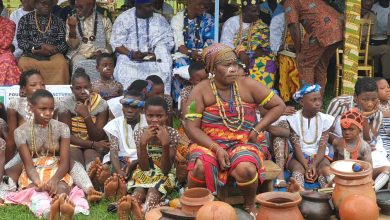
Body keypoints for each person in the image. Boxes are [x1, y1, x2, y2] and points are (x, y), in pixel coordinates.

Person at [184, 43, 285, 215]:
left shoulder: (248, 85)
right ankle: (194, 204)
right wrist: (216, 148)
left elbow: (278, 105)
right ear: (212, 69)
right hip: (209, 143)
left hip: (244, 142)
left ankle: (249, 205)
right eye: (226, 65)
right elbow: (191, 127)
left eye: (235, 64)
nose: (233, 69)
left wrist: (257, 129)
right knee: (200, 166)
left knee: (246, 167)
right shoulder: (199, 91)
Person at [11, 89, 91, 218]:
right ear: (31, 108)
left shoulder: (62, 128)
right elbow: (28, 165)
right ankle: (49, 212)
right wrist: (38, 181)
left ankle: (64, 208)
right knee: (37, 192)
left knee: (62, 188)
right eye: (43, 109)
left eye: (51, 109)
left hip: (57, 169)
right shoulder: (20, 132)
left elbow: (65, 162)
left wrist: (54, 179)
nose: (48, 113)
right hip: (34, 172)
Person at [327, 78, 390, 191]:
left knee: (387, 169)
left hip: (367, 148)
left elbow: (369, 139)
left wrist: (364, 116)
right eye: (365, 99)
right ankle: (337, 189)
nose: (370, 103)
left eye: (374, 99)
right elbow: (326, 130)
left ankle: (370, 190)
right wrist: (340, 141)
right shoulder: (339, 103)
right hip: (339, 146)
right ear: (355, 96)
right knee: (330, 168)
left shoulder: (378, 112)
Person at [121, 96, 178, 215]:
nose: (155, 120)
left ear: (166, 115)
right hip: (145, 172)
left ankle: (144, 212)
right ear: (144, 115)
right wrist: (142, 143)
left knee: (153, 190)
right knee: (138, 191)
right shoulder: (140, 133)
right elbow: (144, 168)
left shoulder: (172, 133)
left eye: (159, 116)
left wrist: (165, 144)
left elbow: (166, 170)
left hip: (164, 175)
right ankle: (132, 210)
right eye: (150, 116)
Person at [111, 0, 174, 91]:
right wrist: (130, 54)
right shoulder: (124, 18)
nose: (152, 8)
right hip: (129, 59)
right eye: (148, 6)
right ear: (138, 6)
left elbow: (167, 40)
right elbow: (116, 43)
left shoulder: (160, 19)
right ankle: (130, 98)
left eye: (152, 5)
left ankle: (158, 98)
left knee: (165, 63)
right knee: (123, 66)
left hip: (154, 58)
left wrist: (157, 54)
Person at [284, 0, 343, 94]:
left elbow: (294, 26)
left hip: (322, 30)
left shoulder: (290, 2)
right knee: (321, 64)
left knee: (305, 64)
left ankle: (309, 100)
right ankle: (318, 100)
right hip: (338, 28)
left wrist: (298, 50)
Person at [58, 69, 109, 170]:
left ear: (91, 87)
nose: (83, 91)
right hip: (73, 144)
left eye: (86, 87)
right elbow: (67, 136)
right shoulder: (65, 104)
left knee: (93, 162)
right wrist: (93, 144)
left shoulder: (101, 104)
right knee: (75, 162)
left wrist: (86, 116)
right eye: (78, 88)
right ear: (72, 89)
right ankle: (82, 181)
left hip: (94, 142)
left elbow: (98, 136)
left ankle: (94, 180)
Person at [286, 84, 334, 190]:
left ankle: (328, 187)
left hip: (319, 157)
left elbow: (322, 147)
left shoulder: (325, 120)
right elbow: (296, 147)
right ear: (302, 102)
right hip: (299, 156)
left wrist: (314, 164)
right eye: (313, 100)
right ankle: (299, 189)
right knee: (297, 169)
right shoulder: (293, 120)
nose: (318, 103)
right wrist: (307, 166)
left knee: (325, 168)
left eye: (319, 100)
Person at [220, 0, 276, 89]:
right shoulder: (232, 22)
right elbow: (225, 42)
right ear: (244, 10)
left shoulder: (262, 26)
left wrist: (254, 53)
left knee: (269, 63)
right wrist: (240, 52)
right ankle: (241, 92)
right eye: (254, 11)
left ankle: (261, 92)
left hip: (255, 58)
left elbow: (265, 47)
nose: (257, 14)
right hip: (234, 56)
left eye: (258, 11)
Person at [17, 0, 69, 85]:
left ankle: (58, 94)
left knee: (62, 64)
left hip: (53, 54)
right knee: (23, 63)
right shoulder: (25, 19)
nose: (46, 6)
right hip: (31, 54)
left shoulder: (59, 21)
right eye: (43, 3)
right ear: (35, 4)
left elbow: (64, 44)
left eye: (49, 3)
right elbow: (21, 41)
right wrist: (38, 48)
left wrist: (52, 49)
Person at [170, 0, 214, 102]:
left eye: (204, 4)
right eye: (199, 4)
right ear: (189, 2)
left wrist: (202, 54)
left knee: (210, 65)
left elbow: (210, 42)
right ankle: (181, 101)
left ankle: (206, 99)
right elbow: (179, 44)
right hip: (184, 54)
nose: (203, 6)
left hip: (205, 54)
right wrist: (191, 53)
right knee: (179, 63)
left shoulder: (209, 19)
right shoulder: (178, 19)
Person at [66, 0, 113, 82]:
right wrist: (72, 29)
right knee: (79, 62)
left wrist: (102, 52)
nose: (77, 9)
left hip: (99, 54)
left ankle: (101, 89)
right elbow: (73, 46)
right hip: (78, 54)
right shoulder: (71, 20)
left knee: (102, 63)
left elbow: (111, 44)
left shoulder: (105, 20)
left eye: (81, 7)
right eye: (76, 6)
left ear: (91, 6)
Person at [102, 90, 147, 174]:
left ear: (141, 109)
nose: (129, 110)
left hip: (143, 160)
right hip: (121, 160)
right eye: (126, 106)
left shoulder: (148, 122)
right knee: (111, 168)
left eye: (134, 107)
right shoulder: (114, 124)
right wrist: (119, 171)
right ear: (122, 107)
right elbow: (113, 151)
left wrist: (135, 163)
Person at [362, 0, 390, 79]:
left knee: (386, 49)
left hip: (365, 46)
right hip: (349, 45)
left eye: (370, 4)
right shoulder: (350, 13)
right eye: (365, 4)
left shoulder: (372, 16)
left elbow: (371, 36)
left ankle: (386, 79)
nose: (368, 4)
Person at [0, 0, 21, 86]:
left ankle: (4, 95)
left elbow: (5, 43)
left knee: (7, 61)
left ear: (1, 9)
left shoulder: (9, 23)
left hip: (3, 53)